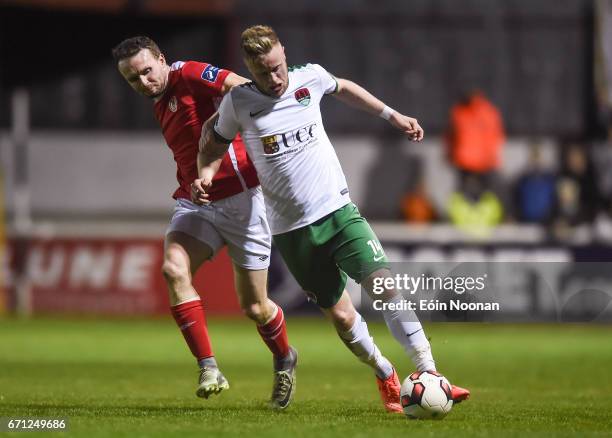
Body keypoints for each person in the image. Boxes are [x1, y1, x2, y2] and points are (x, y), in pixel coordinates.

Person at [193, 25, 470, 413]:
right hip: (292, 232)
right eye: (262, 73)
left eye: (276, 67)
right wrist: (205, 174)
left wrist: (392, 115)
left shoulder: (310, 77)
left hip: (339, 213)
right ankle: (384, 371)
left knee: (385, 287)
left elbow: (344, 88)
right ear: (249, 69)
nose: (273, 78)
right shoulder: (239, 103)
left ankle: (430, 372)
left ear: (283, 53)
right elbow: (213, 144)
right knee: (342, 316)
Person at [112, 36, 296, 409]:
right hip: (197, 202)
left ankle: (284, 358)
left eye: (148, 71)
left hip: (244, 200)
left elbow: (243, 87)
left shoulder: (191, 73)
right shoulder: (160, 103)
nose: (144, 82)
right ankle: (209, 367)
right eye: (134, 79)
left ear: (162, 60)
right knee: (173, 270)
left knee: (255, 308)